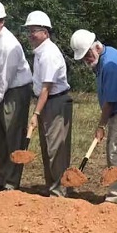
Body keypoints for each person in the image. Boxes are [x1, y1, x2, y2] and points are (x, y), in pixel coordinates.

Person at [70, 29, 117, 205]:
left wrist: (101, 126)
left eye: (87, 55)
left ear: (95, 46)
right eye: (83, 58)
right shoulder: (105, 57)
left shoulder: (110, 64)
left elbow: (110, 101)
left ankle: (115, 199)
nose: (86, 60)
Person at [0, 0, 34, 192]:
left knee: (13, 135)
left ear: (2, 21)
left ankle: (11, 183)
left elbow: (5, 80)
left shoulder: (9, 45)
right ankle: (0, 178)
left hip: (16, 90)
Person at [24, 10, 72, 198]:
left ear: (45, 31)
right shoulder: (40, 52)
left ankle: (59, 192)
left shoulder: (49, 54)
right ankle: (52, 187)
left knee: (56, 149)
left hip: (56, 102)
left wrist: (35, 114)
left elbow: (46, 88)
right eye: (29, 31)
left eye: (34, 31)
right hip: (47, 102)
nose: (30, 35)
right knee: (47, 147)